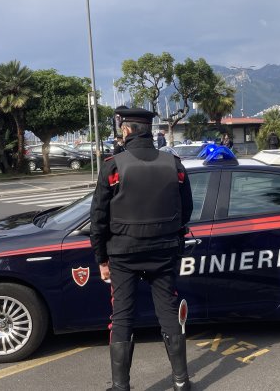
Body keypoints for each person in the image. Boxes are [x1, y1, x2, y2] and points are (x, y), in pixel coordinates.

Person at [90, 107, 193, 391]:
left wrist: (101, 259)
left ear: (126, 130)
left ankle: (121, 387)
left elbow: (98, 219)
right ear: (149, 129)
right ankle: (181, 382)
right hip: (164, 252)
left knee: (122, 316)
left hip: (123, 255)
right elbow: (186, 211)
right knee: (168, 314)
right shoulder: (174, 164)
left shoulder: (113, 166)